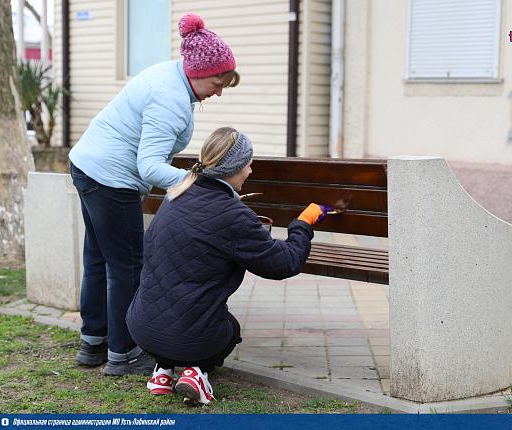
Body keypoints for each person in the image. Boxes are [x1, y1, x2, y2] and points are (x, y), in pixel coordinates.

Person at [68, 13, 240, 376]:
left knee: (98, 260)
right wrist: (199, 183)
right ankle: (124, 353)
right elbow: (148, 166)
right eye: (217, 82)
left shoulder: (168, 73)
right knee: (128, 267)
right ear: (197, 71)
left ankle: (93, 343)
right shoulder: (171, 100)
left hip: (87, 165)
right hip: (112, 180)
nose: (219, 92)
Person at [126, 127, 330, 404]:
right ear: (234, 167)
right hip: (189, 340)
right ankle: (196, 372)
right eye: (248, 163)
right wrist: (303, 224)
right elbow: (285, 263)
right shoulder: (233, 215)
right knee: (229, 329)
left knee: (182, 310)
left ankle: (163, 371)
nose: (250, 170)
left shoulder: (175, 195)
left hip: (142, 329)